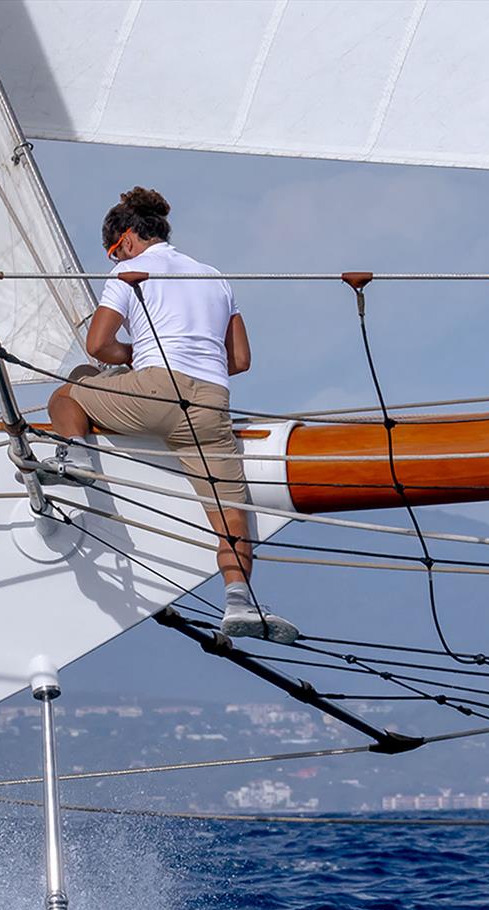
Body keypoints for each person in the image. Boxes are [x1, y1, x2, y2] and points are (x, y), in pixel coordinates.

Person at [46, 186, 297, 644]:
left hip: (156, 390)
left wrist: (132, 356)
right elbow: (239, 360)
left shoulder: (128, 270)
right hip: (211, 403)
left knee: (68, 395)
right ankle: (239, 601)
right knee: (230, 516)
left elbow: (97, 345)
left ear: (125, 240)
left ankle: (77, 460)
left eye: (110, 252)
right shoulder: (214, 276)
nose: (111, 260)